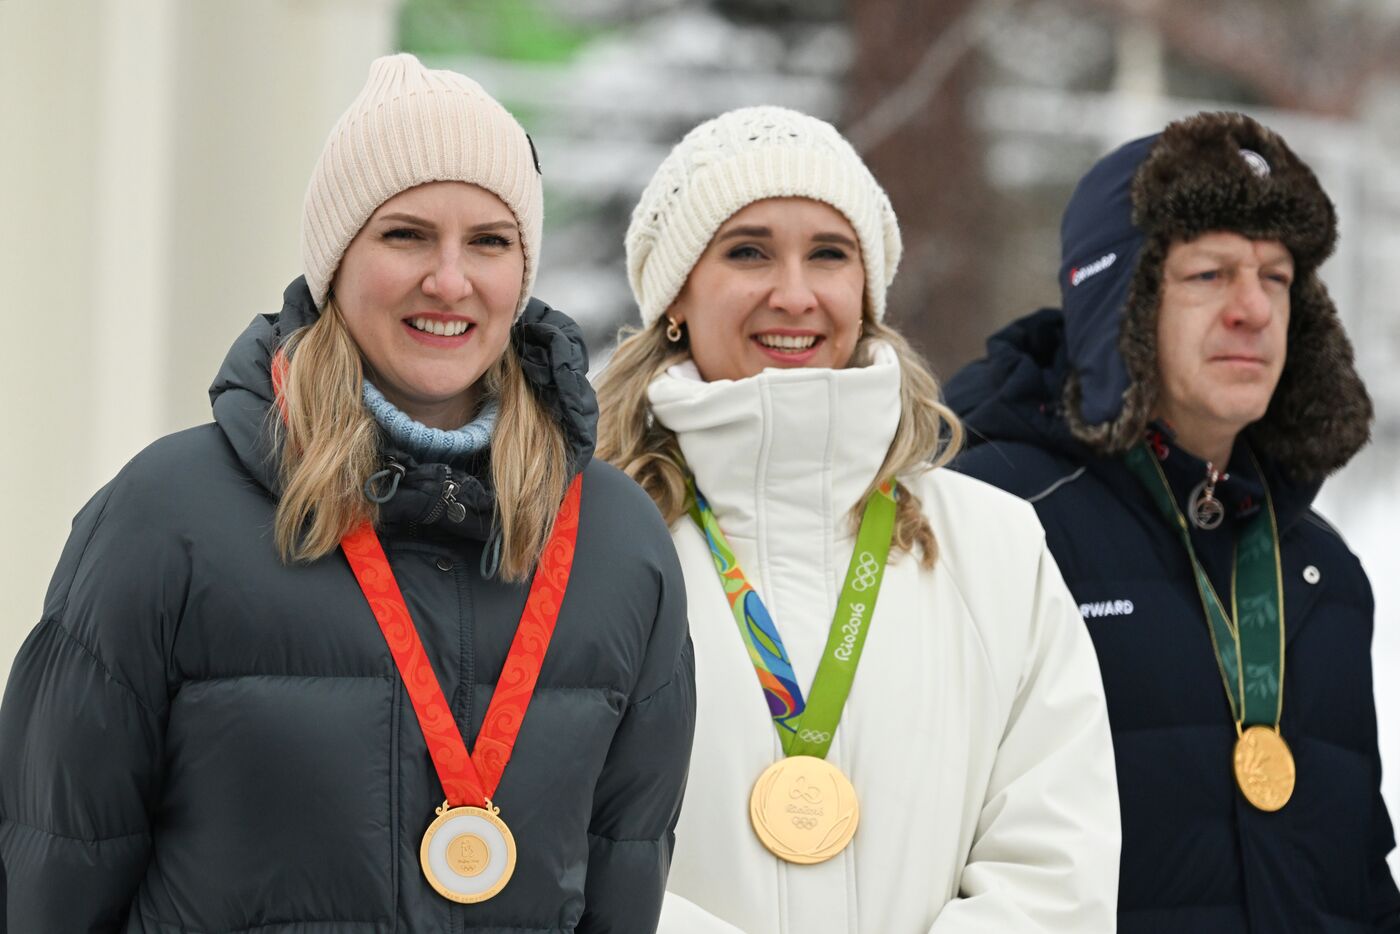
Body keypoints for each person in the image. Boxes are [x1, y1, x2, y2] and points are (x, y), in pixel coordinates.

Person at [0, 53, 694, 932]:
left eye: (489, 240)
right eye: (405, 235)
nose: (450, 280)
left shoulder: (614, 541)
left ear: (524, 269)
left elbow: (623, 887)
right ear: (335, 262)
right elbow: (53, 876)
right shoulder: (163, 520)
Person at [595, 105, 1119, 934]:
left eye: (830, 255)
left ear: (867, 293)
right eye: (748, 251)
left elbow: (1058, 860)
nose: (795, 293)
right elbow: (562, 853)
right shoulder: (591, 546)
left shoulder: (996, 546)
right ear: (675, 299)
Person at [947, 111, 1400, 932]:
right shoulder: (992, 518)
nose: (1253, 310)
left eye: (1276, 278)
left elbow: (1361, 882)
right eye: (1209, 275)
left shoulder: (1320, 570)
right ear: (1116, 302)